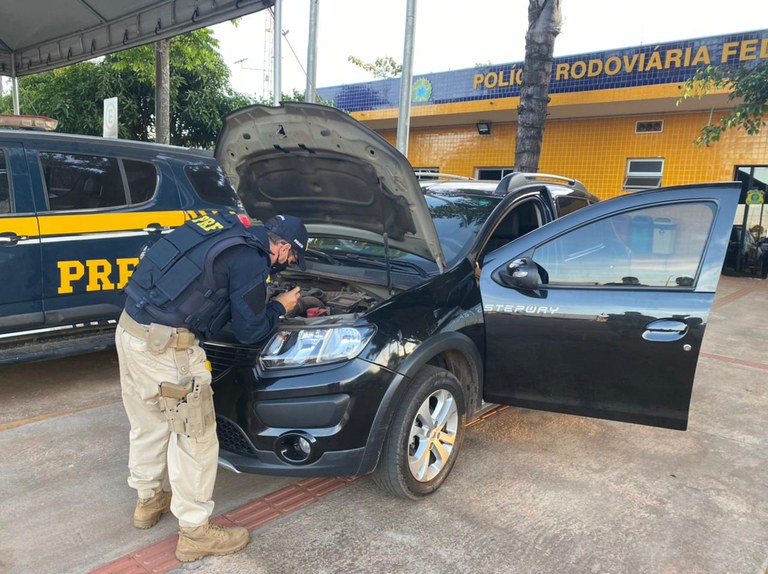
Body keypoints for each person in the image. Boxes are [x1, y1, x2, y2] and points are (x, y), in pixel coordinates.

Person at [115, 211, 307, 562]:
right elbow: (251, 331)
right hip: (168, 349)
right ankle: (195, 532)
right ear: (282, 248)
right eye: (293, 256)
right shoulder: (251, 259)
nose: (289, 263)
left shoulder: (224, 225)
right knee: (196, 439)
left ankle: (148, 501)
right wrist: (279, 305)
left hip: (130, 329)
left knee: (148, 422)